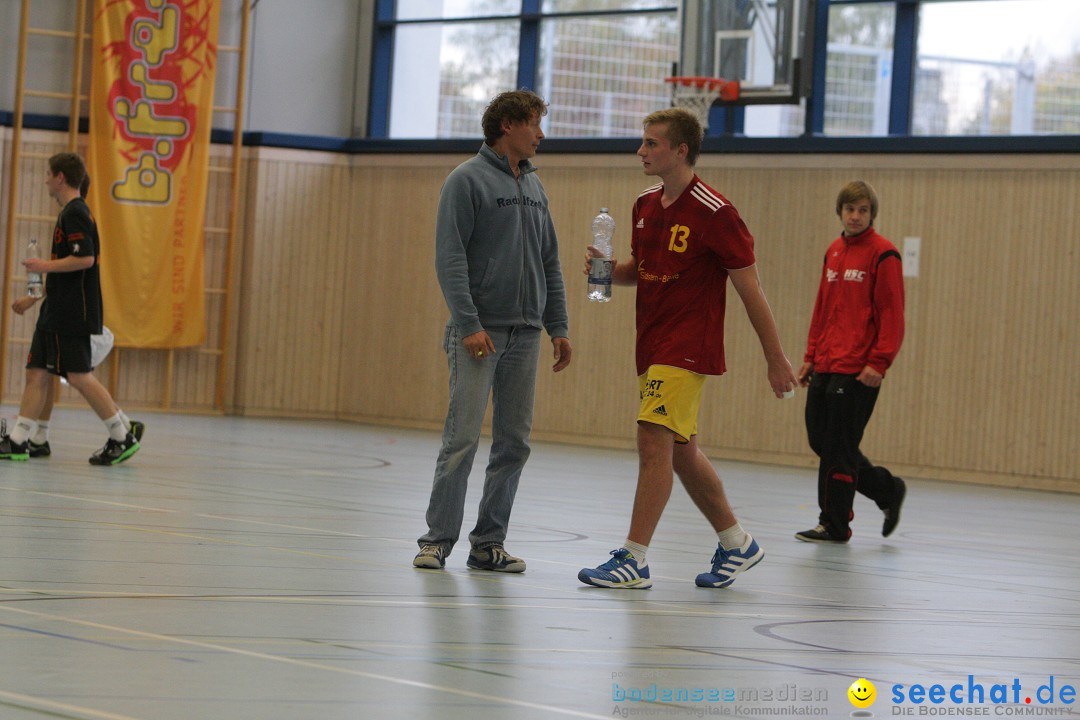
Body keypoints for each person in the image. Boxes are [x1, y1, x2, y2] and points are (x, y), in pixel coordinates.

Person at [577, 108, 797, 590]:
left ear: (681, 150)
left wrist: (775, 357)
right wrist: (610, 270)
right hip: (652, 341)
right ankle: (738, 543)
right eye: (643, 142)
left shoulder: (717, 213)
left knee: (652, 439)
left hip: (687, 346)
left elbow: (750, 290)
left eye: (652, 143)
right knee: (681, 452)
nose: (641, 151)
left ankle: (634, 558)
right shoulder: (643, 205)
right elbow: (641, 268)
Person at [413, 90, 572, 573]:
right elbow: (451, 258)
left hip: (526, 336)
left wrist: (557, 325)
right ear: (507, 126)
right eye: (534, 124)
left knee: (513, 443)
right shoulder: (466, 180)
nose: (541, 135)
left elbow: (550, 261)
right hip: (480, 336)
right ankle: (437, 540)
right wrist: (469, 324)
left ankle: (488, 543)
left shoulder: (536, 187)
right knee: (461, 439)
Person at [0, 153, 142, 464]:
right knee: (37, 372)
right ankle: (24, 439)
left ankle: (122, 435)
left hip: (73, 312)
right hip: (56, 308)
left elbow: (85, 259)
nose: (45, 180)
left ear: (61, 177)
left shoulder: (75, 213)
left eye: (49, 174)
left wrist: (43, 265)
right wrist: (33, 296)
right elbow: (65, 271)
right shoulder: (68, 213)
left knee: (79, 376)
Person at [794, 180, 906, 543]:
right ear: (840, 212)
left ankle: (834, 523)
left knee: (839, 450)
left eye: (863, 210)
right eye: (850, 209)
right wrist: (811, 356)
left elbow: (892, 313)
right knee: (821, 441)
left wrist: (880, 362)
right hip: (826, 363)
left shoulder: (884, 254)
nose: (855, 216)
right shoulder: (834, 251)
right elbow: (822, 308)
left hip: (859, 369)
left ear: (871, 214)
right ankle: (886, 490)